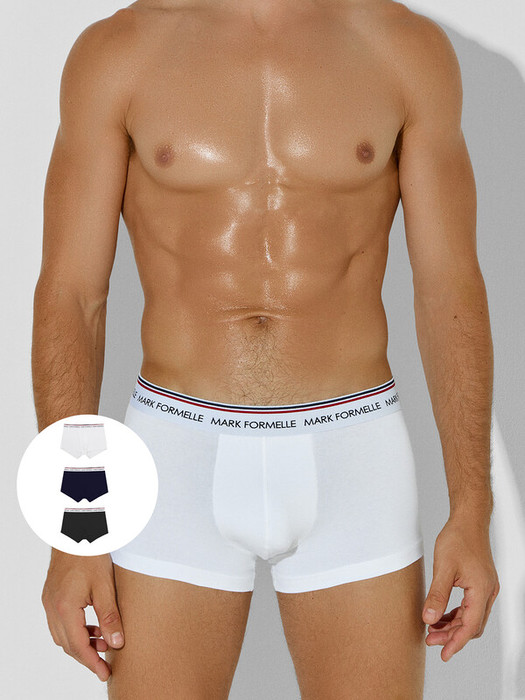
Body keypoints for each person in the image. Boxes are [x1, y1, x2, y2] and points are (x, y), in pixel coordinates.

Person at [33, 0, 500, 697]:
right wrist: (73, 528)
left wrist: (471, 508)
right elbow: (72, 296)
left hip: (353, 452)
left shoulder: (404, 47)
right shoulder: (119, 51)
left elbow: (448, 289)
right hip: (175, 454)